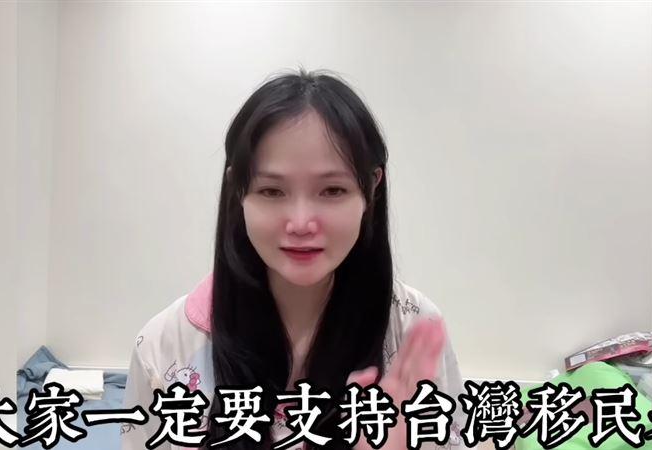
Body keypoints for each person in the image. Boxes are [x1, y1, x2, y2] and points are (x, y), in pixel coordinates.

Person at [121, 68, 468, 450]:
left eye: (332, 190)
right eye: (272, 191)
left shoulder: (414, 330)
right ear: (238, 191)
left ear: (371, 189)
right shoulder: (164, 348)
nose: (301, 223)